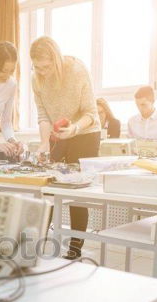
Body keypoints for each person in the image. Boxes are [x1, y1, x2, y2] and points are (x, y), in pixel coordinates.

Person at [31, 36, 100, 259]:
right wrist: (43, 142)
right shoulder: (37, 79)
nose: (43, 72)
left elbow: (91, 113)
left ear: (57, 59)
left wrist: (75, 129)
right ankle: (38, 245)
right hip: (58, 134)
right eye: (37, 67)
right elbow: (43, 115)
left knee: (76, 192)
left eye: (47, 66)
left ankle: (75, 249)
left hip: (85, 133)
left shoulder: (77, 70)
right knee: (48, 189)